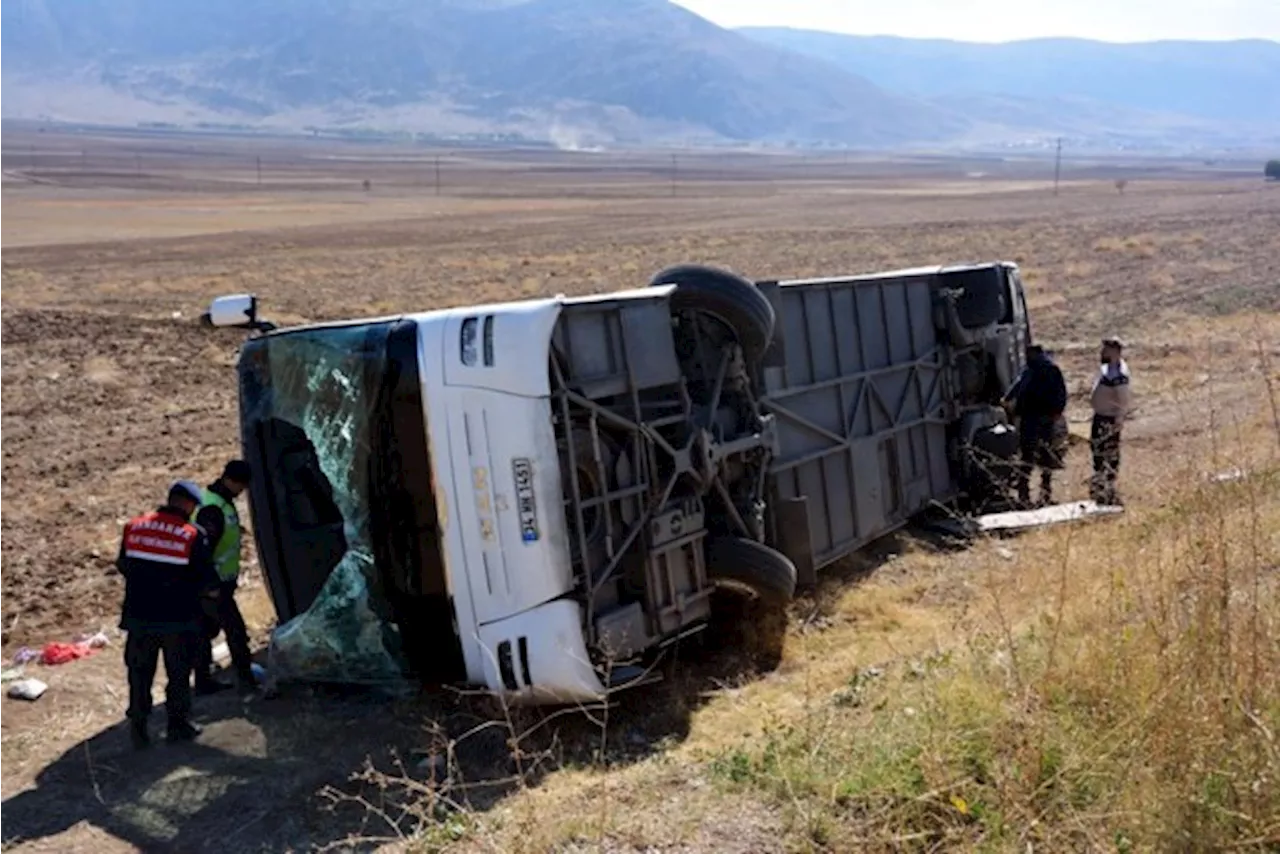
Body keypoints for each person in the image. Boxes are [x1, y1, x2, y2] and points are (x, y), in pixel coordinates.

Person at [117, 480, 219, 749]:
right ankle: (177, 725)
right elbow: (206, 582)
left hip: (139, 618)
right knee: (178, 673)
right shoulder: (191, 535)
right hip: (178, 619)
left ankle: (139, 728)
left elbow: (124, 565)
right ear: (186, 504)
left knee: (139, 674)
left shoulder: (134, 527)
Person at [192, 460, 258, 696]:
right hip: (213, 585)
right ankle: (246, 679)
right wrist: (210, 585)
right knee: (235, 631)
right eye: (241, 485)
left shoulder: (214, 500)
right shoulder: (213, 509)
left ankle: (203, 680)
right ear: (232, 481)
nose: (242, 491)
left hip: (211, 583)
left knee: (204, 631)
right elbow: (201, 550)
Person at [1002, 344, 1069, 509]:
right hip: (1031, 417)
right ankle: (1027, 492)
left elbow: (1060, 392)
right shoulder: (1031, 370)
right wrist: (1007, 399)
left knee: (1040, 455)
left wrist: (1057, 411)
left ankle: (1041, 492)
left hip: (1042, 417)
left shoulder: (1048, 369)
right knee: (1030, 455)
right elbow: (1018, 387)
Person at [1090, 337, 1132, 506]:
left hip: (1109, 418)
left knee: (1108, 452)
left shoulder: (1119, 374)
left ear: (1115, 351)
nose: (1102, 352)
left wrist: (1119, 419)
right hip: (1100, 415)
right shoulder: (1106, 368)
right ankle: (1100, 484)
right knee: (1097, 449)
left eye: (1106, 349)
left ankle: (1108, 487)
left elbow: (1123, 400)